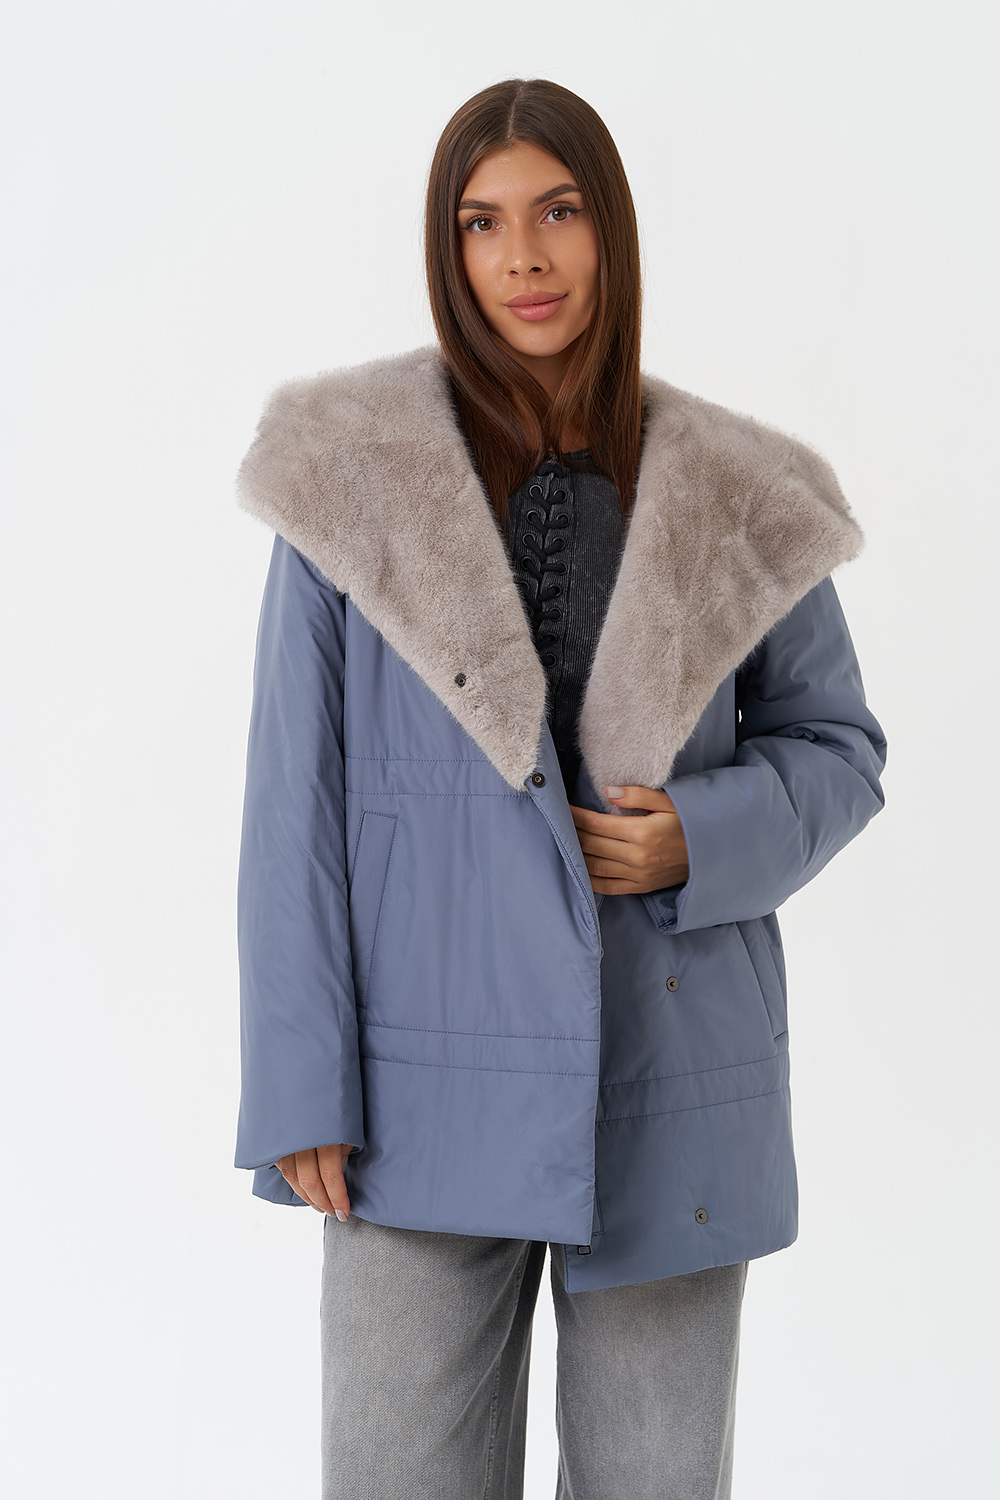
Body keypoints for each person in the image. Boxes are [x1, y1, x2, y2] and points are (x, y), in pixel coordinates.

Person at [233, 77, 886, 1500]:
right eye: (482, 222)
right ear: (445, 247)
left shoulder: (738, 490)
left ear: (612, 230)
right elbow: (294, 804)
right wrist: (298, 1086)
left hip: (670, 1075)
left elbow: (840, 749)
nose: (522, 257)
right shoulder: (348, 480)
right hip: (414, 1083)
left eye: (559, 212)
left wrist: (697, 837)